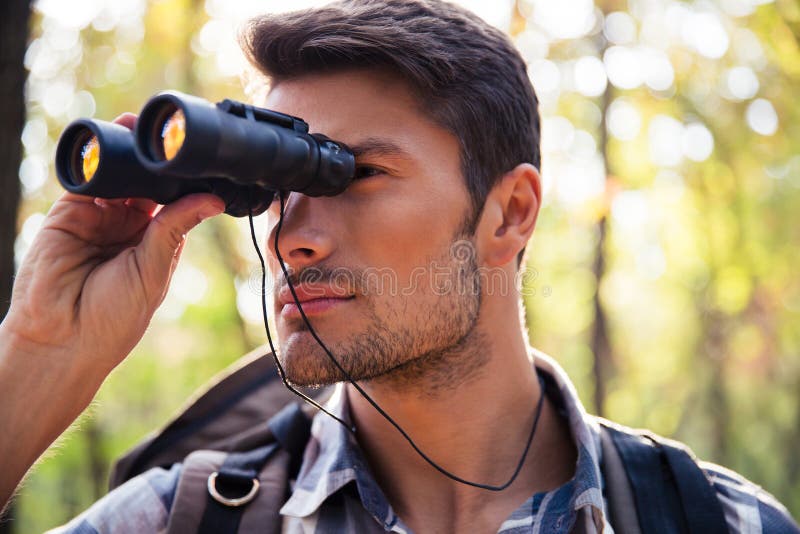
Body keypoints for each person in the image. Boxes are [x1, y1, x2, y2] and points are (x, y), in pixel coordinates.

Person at [0, 0, 797, 532]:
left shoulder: (711, 519)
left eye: (352, 175)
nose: (291, 236)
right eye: (275, 188)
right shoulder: (184, 519)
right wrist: (38, 361)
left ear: (510, 212)